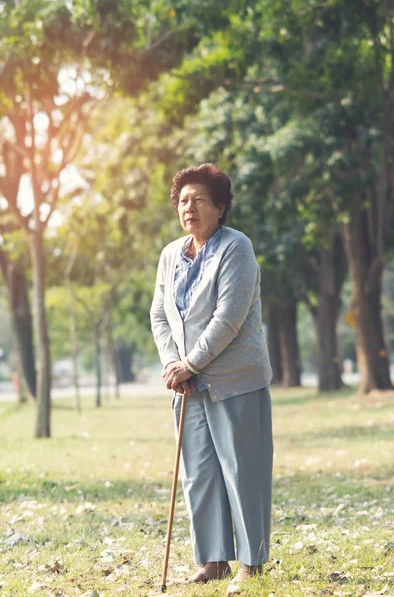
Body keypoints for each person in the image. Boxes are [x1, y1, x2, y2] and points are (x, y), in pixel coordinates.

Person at [150, 163, 274, 589]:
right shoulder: (170, 255)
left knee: (243, 470)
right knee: (199, 473)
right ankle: (214, 559)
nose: (190, 207)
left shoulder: (236, 248)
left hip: (234, 378)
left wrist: (192, 363)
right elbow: (159, 315)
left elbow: (228, 318)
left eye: (200, 199)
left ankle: (251, 562)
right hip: (186, 383)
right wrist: (173, 364)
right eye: (184, 200)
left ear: (220, 207)